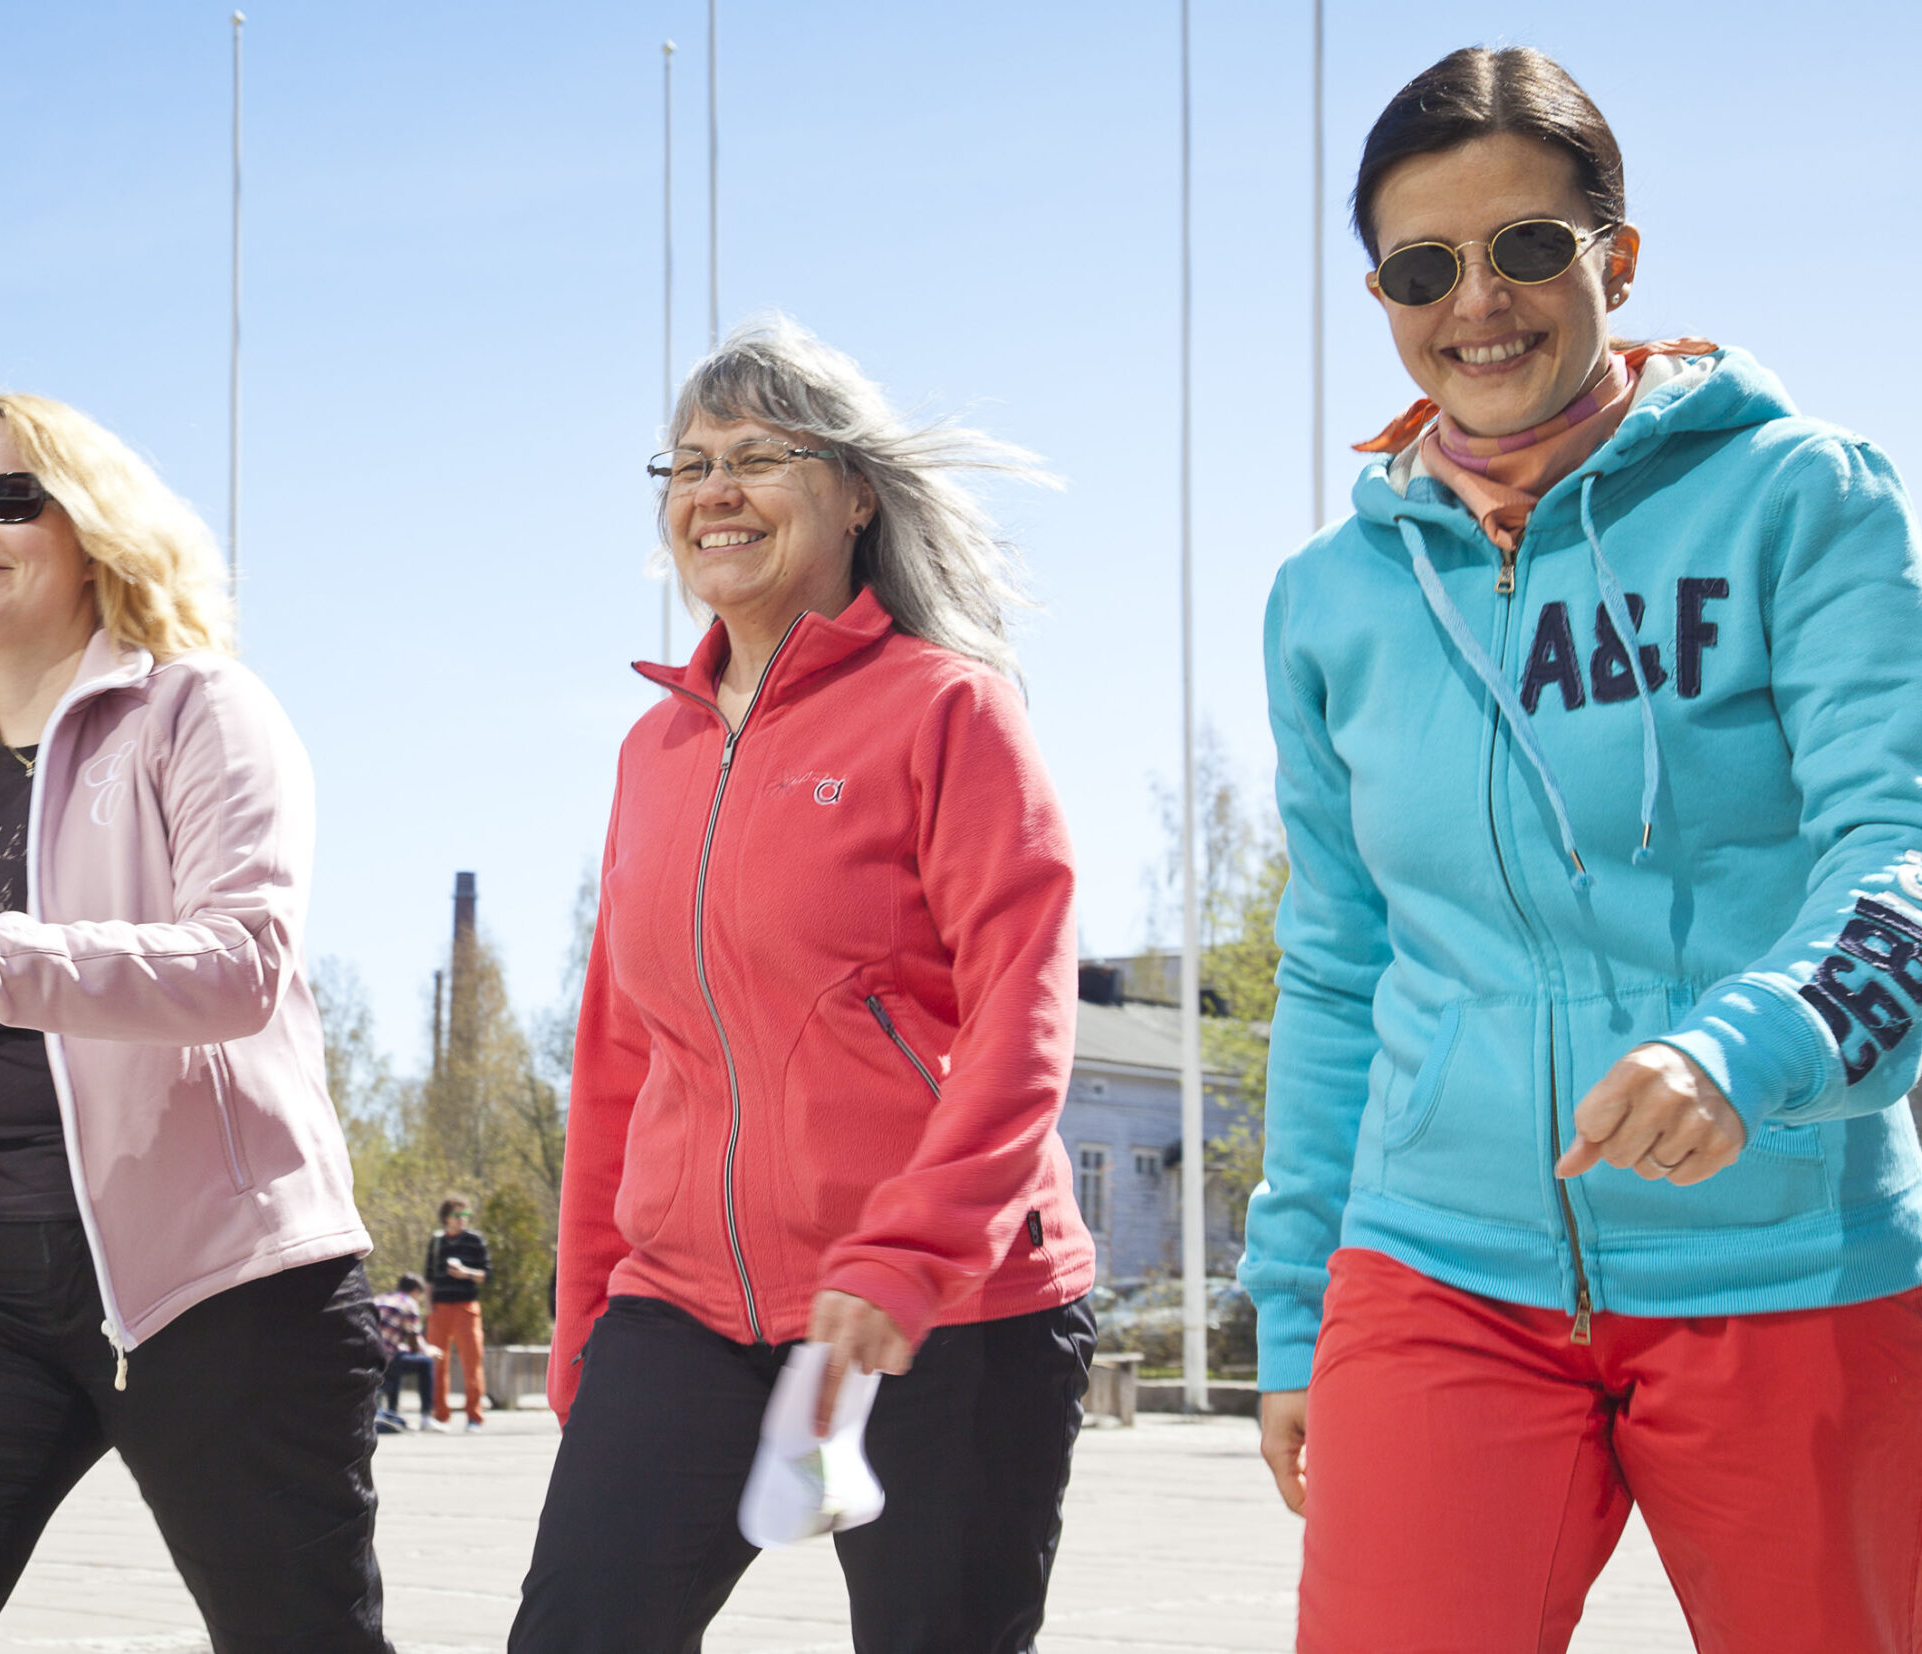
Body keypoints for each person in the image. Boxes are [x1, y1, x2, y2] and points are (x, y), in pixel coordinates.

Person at [1242, 46, 1922, 1654]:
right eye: (1424, 268)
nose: (1479, 300)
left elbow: (1899, 850)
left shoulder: (1801, 498)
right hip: (1437, 1271)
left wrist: (1747, 1051)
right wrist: (1294, 1308)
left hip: (1787, 1256)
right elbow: (1337, 968)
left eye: (1527, 247)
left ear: (1616, 257)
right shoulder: (1330, 598)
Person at [0, 393, 389, 1654]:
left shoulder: (198, 709)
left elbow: (237, 963)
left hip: (223, 1288)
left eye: (8, 497)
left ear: (96, 528)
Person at [513, 320, 1097, 1654]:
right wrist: (589, 1304)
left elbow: (1024, 1010)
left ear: (855, 492)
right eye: (690, 461)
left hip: (947, 1309)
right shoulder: (651, 750)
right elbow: (620, 1050)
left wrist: (914, 1251)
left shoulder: (949, 707)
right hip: (684, 1308)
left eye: (759, 457)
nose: (713, 490)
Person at [422, 1196, 490, 1432]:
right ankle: (440, 1416)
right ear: (446, 1217)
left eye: (465, 1215)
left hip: (466, 1307)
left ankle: (474, 1417)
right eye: (457, 1215)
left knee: (472, 1363)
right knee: (437, 1363)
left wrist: (466, 1273)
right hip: (439, 1309)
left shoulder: (475, 1241)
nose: (462, 1220)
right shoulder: (437, 1241)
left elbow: (485, 1275)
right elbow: (428, 1278)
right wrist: (428, 1306)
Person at [371, 1272, 435, 1430]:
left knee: (399, 1357)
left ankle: (392, 1411)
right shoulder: (409, 1303)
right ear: (415, 1292)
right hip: (385, 1359)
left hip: (366, 1356)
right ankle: (426, 1417)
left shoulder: (379, 1299)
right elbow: (415, 1342)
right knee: (426, 1363)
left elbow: (385, 1337)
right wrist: (429, 1351)